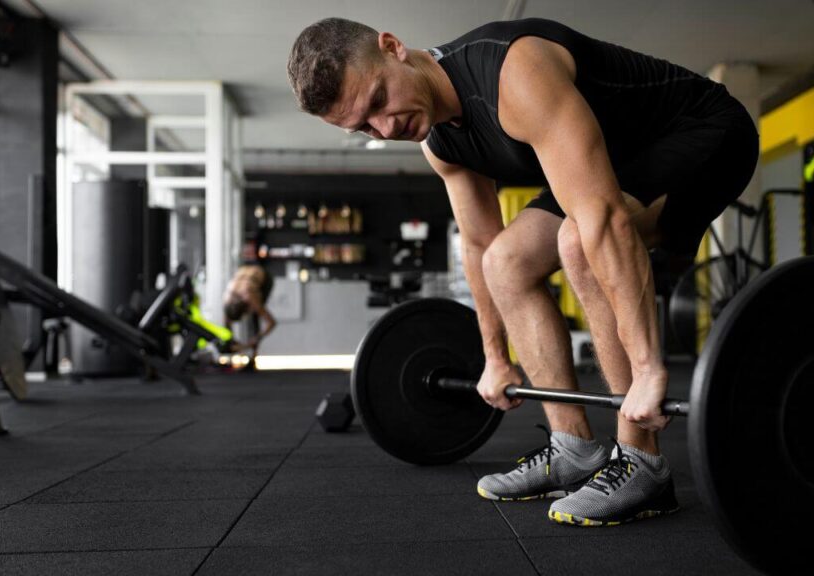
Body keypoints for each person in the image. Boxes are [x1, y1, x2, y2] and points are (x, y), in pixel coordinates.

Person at [287, 17, 758, 526]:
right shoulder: (439, 141)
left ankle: (642, 463)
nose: (384, 127)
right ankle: (573, 448)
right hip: (614, 159)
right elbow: (481, 243)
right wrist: (494, 357)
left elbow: (600, 219)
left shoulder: (514, 71)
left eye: (379, 101)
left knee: (577, 239)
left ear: (393, 47)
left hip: (704, 130)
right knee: (506, 262)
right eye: (363, 127)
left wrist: (648, 370)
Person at [223, 263, 277, 367]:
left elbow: (271, 323)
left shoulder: (250, 297)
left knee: (255, 317)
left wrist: (257, 338)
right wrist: (231, 342)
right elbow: (226, 324)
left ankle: (253, 357)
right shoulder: (227, 299)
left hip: (263, 277)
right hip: (244, 272)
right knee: (228, 329)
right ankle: (234, 353)